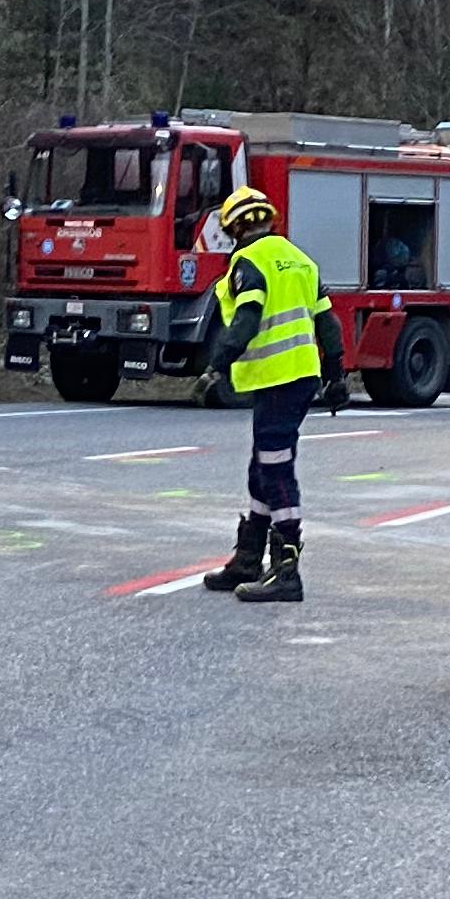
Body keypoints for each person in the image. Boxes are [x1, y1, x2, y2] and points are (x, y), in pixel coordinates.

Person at [197, 185, 336, 604]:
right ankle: (248, 558)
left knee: (275, 469)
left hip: (278, 378)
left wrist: (215, 366)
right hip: (299, 376)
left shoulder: (248, 261)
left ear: (234, 229)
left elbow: (246, 319)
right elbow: (328, 323)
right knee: (262, 467)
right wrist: (338, 375)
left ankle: (287, 570)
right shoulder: (300, 260)